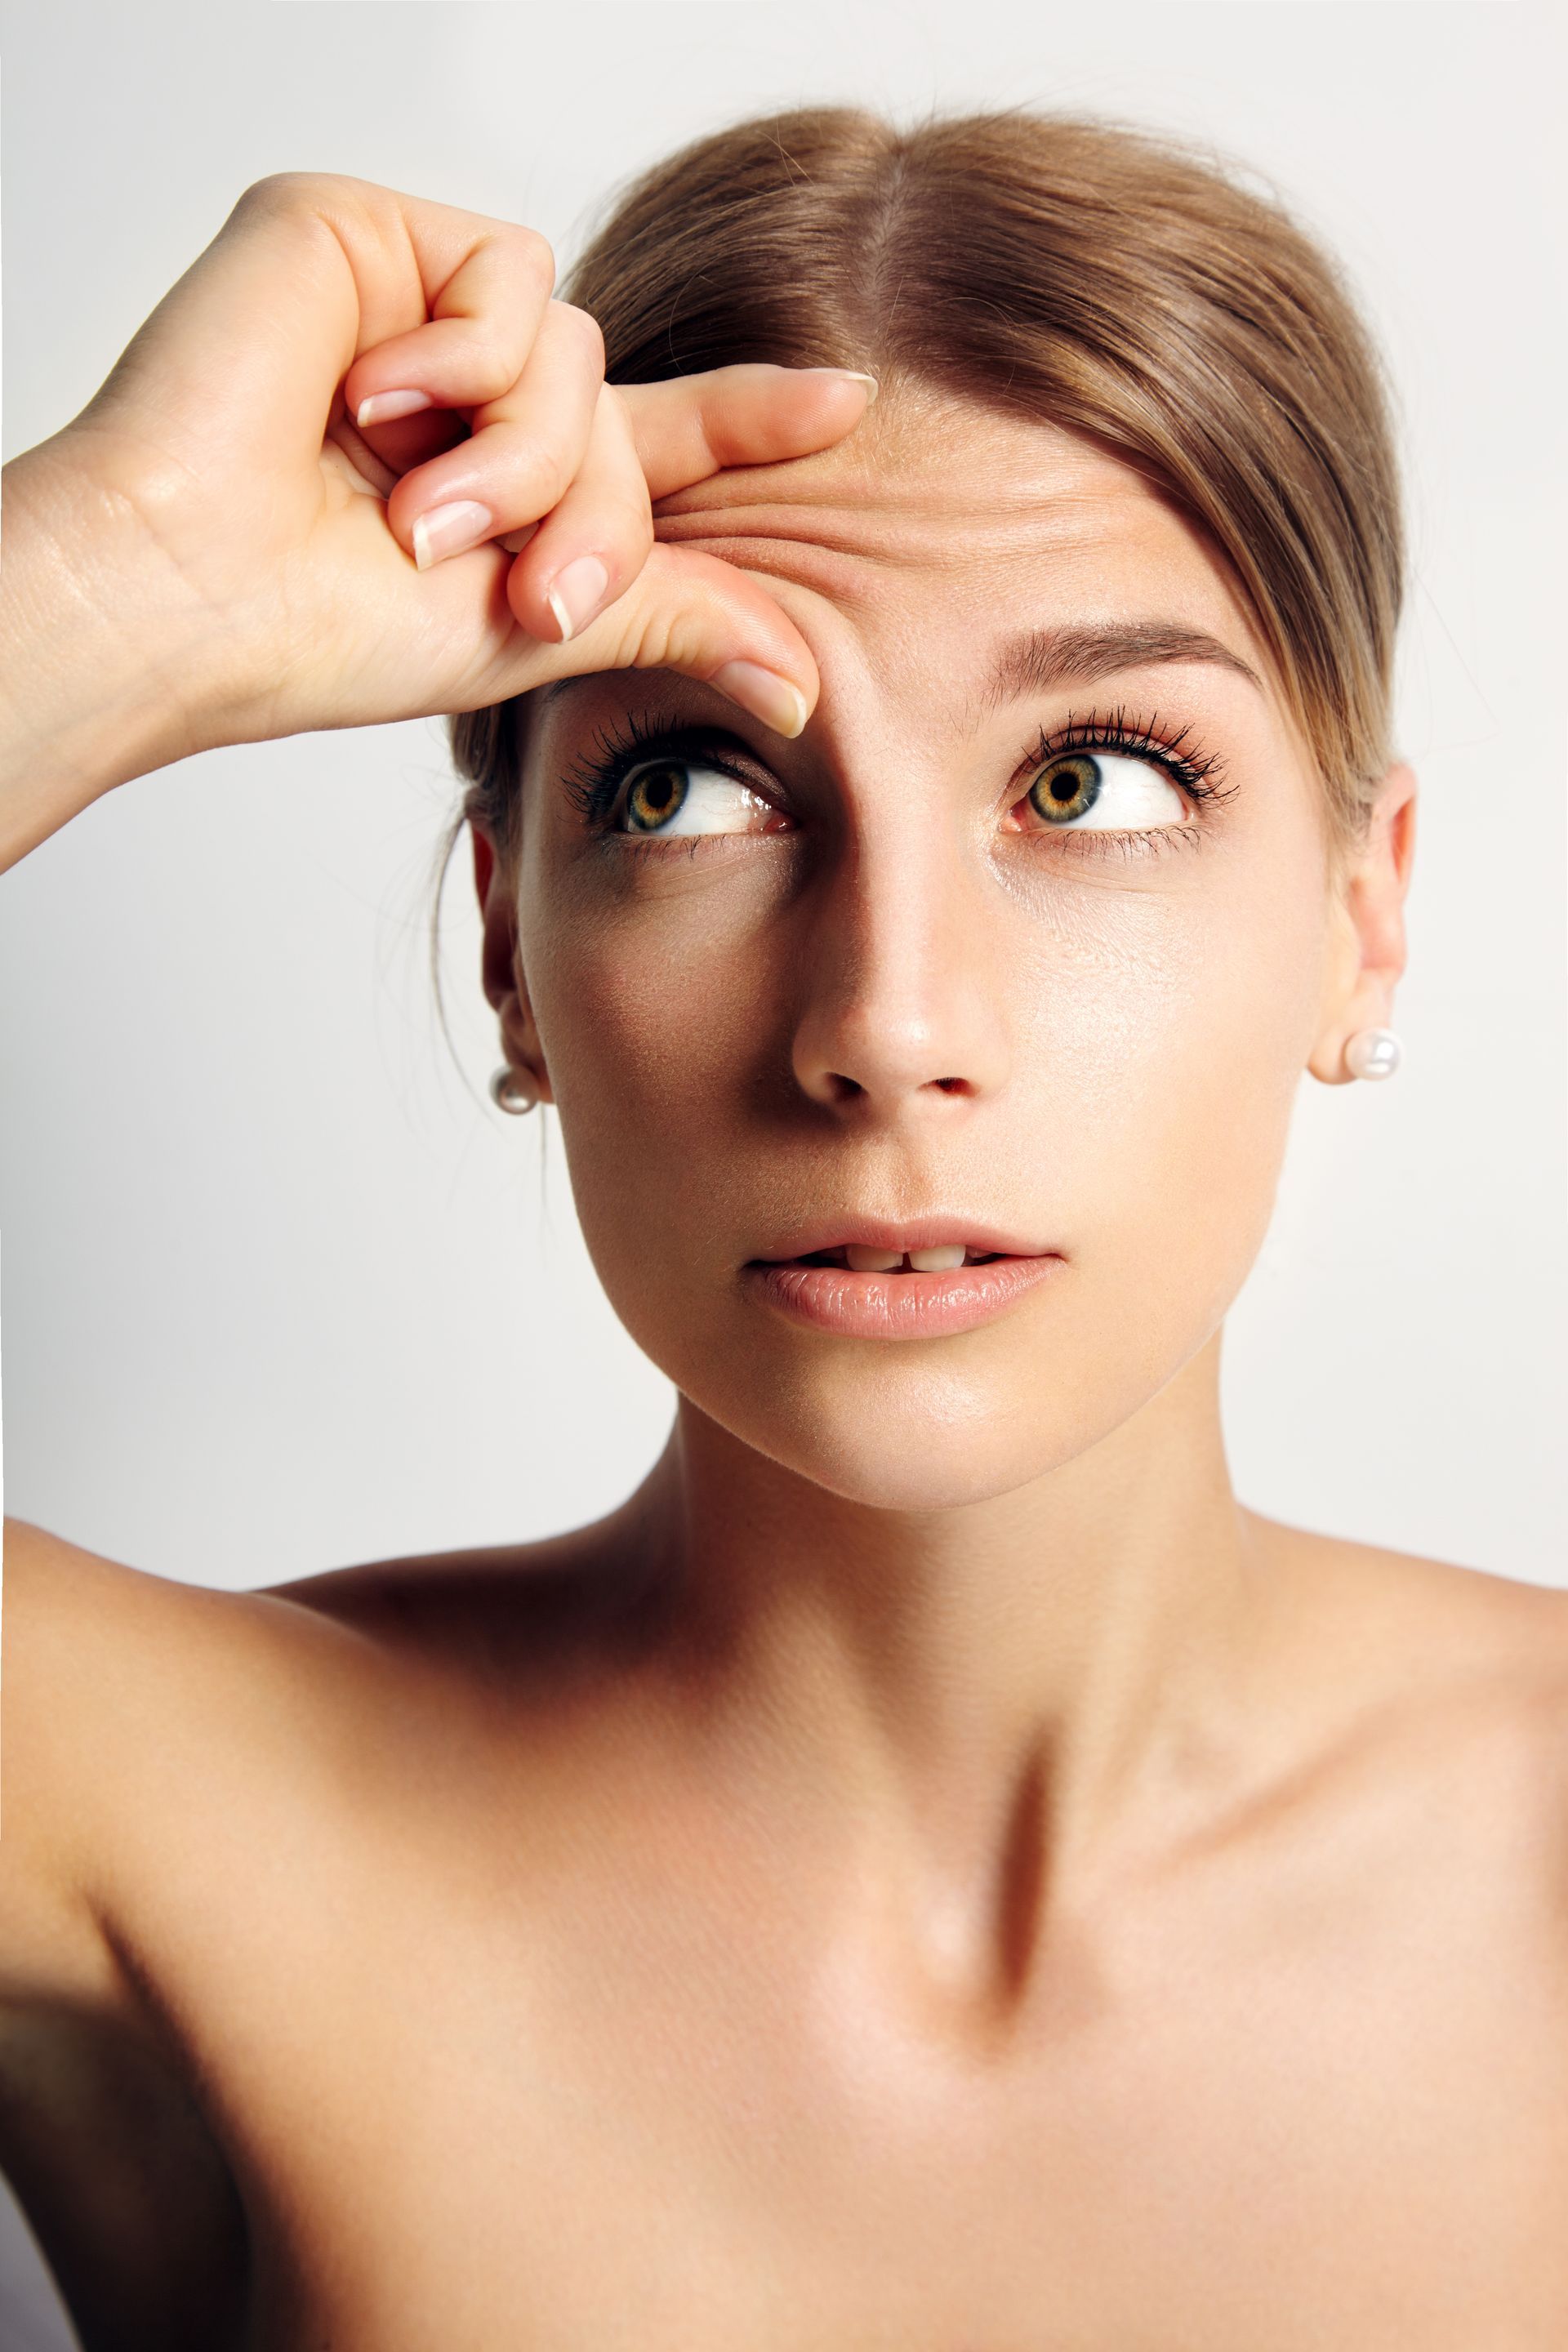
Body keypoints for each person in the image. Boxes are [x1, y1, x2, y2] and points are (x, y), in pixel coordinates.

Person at [1, 105, 1563, 2351]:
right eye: (691, 786)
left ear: (1363, 914)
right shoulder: (152, 1815)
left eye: (1092, 780)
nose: (887, 1025)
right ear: (513, 948)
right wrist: (101, 593)